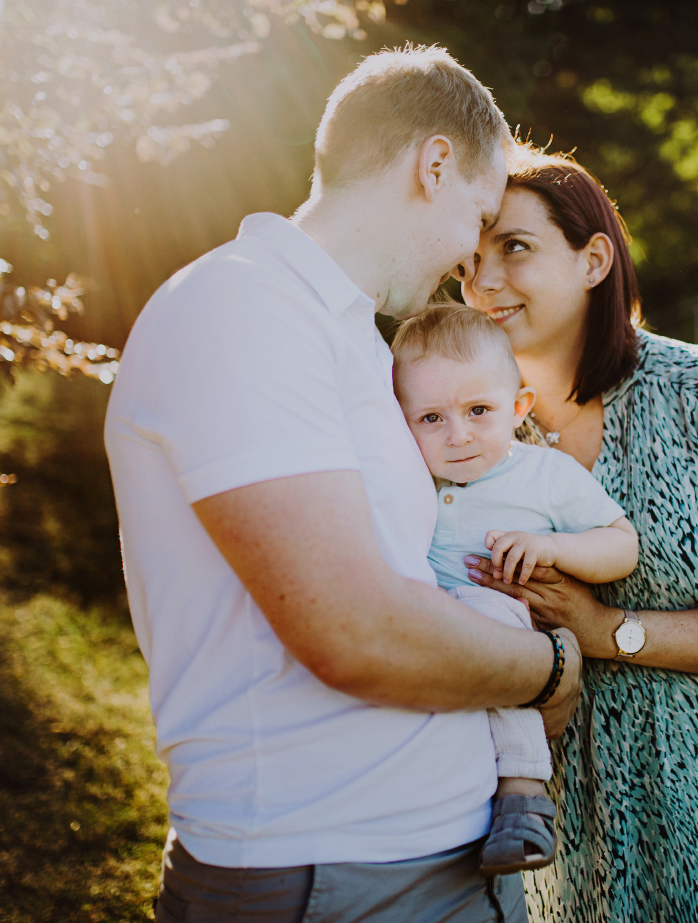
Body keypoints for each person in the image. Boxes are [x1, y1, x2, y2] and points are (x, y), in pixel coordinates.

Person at [104, 48, 583, 923]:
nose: (464, 265)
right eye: (475, 217)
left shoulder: (354, 342)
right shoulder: (240, 307)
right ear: (433, 165)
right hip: (330, 876)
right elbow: (353, 628)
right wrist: (549, 668)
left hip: (427, 858)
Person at [457, 146, 698, 922]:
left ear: (593, 259)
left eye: (513, 248)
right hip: (538, 816)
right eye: (469, 259)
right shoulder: (463, 429)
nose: (481, 281)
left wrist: (603, 630)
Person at [391, 303, 639, 877]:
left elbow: (621, 542)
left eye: (479, 410)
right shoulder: (410, 477)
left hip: (503, 628)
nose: (458, 435)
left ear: (518, 407)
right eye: (430, 418)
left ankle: (524, 794)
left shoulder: (543, 474)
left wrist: (551, 548)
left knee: (490, 621)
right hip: (423, 635)